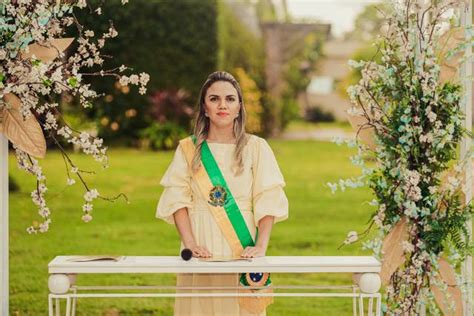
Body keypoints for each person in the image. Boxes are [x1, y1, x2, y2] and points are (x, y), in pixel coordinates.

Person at [156, 71, 289, 315]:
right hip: (201, 243)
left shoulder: (256, 148)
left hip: (241, 246)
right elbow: (177, 201)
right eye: (214, 99)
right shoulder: (188, 149)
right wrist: (191, 244)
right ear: (204, 108)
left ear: (239, 107)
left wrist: (260, 246)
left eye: (230, 99)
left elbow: (267, 198)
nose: (222, 105)